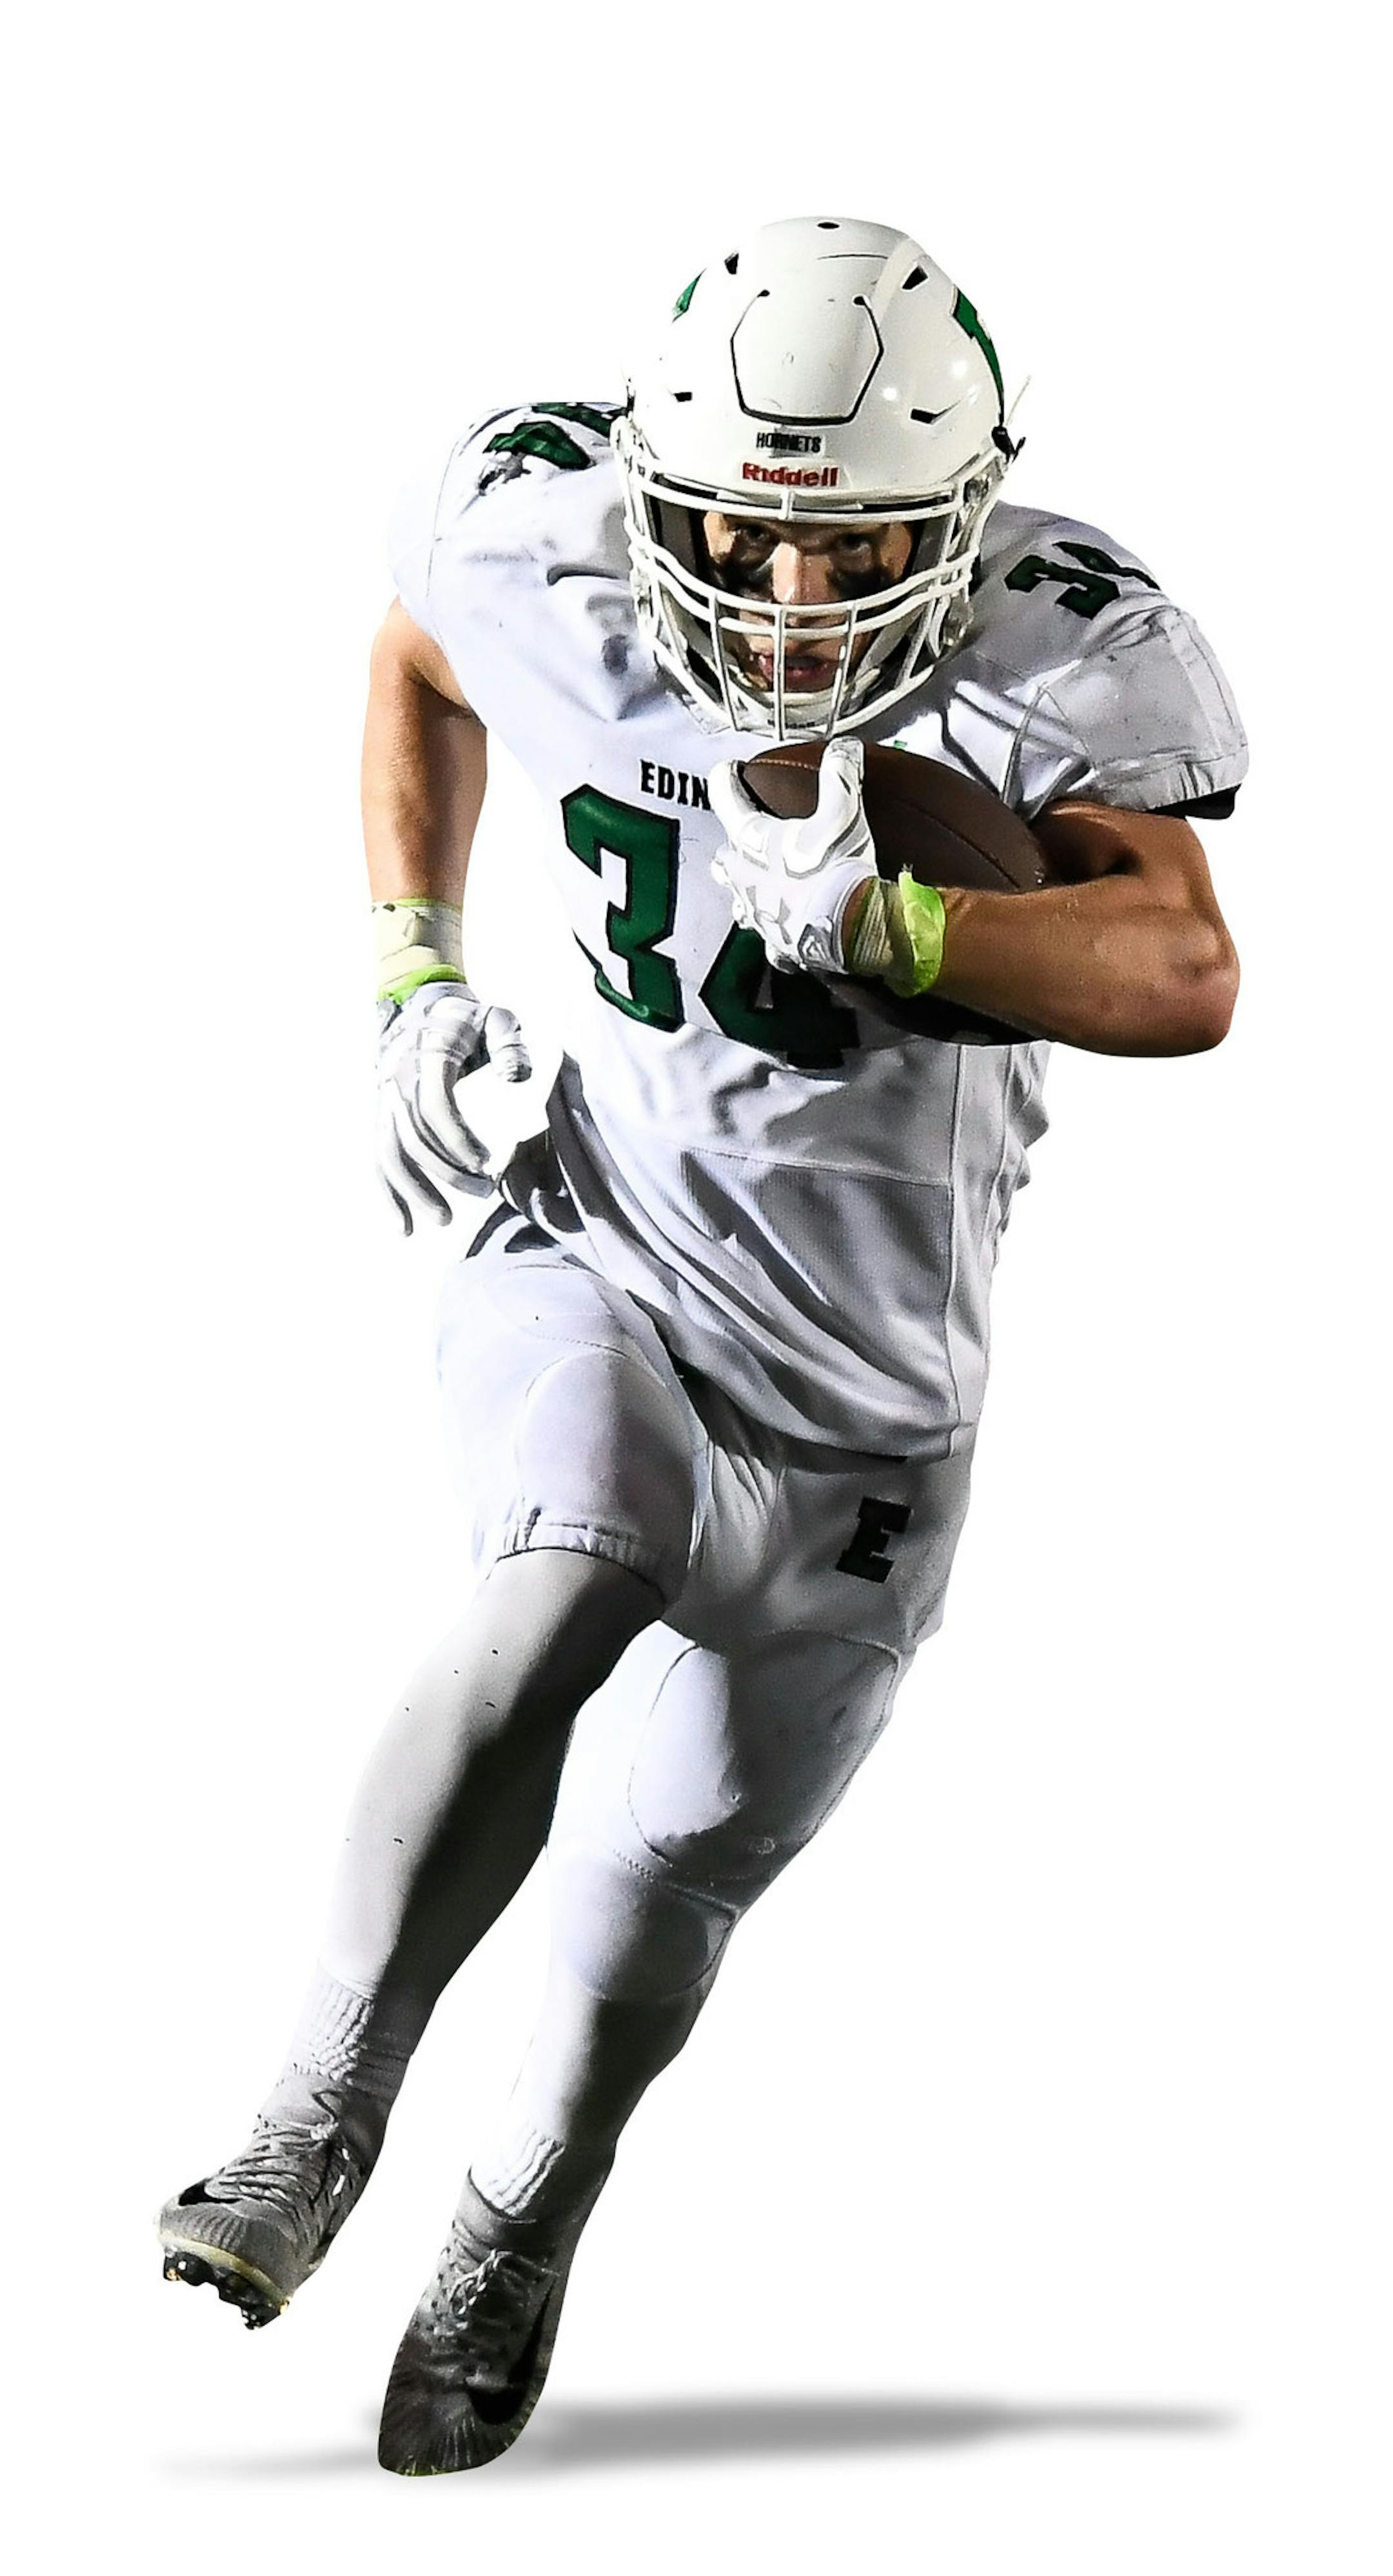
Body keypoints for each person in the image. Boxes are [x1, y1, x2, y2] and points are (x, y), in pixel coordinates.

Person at [158, 217, 1246, 2475]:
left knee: (656, 1906)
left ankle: (515, 2223)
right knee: (564, 1561)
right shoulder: (552, 546)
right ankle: (311, 2108)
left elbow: (1185, 969)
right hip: (611, 1256)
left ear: (959, 518)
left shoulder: (1059, 648)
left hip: (875, 1418)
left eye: (842, 537)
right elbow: (422, 653)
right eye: (733, 518)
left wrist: (897, 916)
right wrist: (407, 966)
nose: (772, 580)